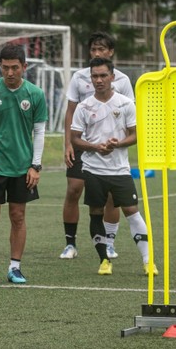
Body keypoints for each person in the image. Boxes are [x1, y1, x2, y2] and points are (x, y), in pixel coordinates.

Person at [70, 58, 158, 276]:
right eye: (94, 76)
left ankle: (148, 261)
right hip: (93, 169)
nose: (98, 80)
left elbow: (135, 135)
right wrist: (95, 147)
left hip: (119, 169)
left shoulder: (126, 104)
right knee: (96, 212)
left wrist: (118, 144)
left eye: (103, 75)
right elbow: (75, 138)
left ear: (112, 77)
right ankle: (104, 260)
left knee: (131, 211)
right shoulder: (84, 107)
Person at [0, 44, 47, 285]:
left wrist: (35, 165)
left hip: (22, 167)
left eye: (15, 67)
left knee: (18, 216)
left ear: (24, 67)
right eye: (5, 68)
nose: (10, 72)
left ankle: (15, 268)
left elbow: (40, 131)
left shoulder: (35, 94)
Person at [60, 32, 135, 260]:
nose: (96, 53)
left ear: (110, 52)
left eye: (101, 49)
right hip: (83, 143)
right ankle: (70, 244)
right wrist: (68, 144)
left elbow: (130, 115)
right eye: (93, 49)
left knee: (111, 196)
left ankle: (109, 243)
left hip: (111, 148)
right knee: (74, 189)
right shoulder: (79, 77)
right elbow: (71, 111)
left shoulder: (121, 80)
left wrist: (119, 143)